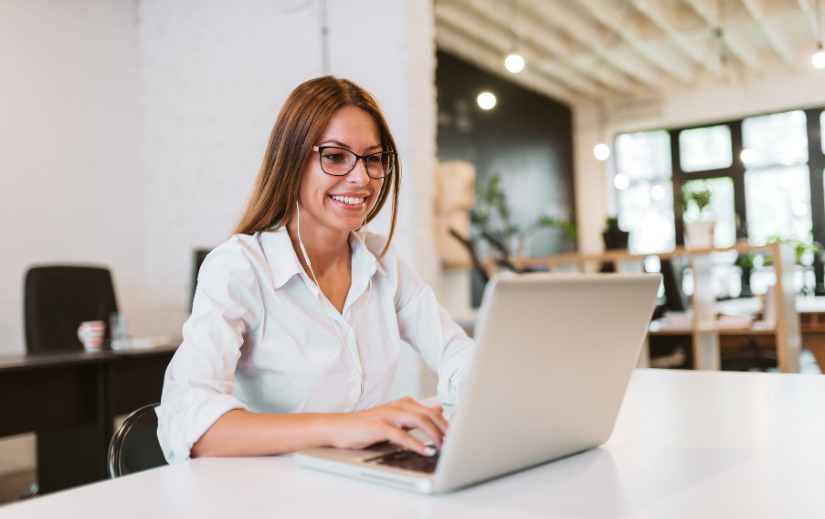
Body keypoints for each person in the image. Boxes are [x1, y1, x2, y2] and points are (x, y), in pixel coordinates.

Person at [156, 76, 476, 464]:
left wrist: (486, 387)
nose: (361, 178)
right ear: (292, 161)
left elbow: (458, 355)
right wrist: (341, 428)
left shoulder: (382, 262)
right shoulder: (239, 267)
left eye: (373, 158)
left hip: (354, 482)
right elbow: (189, 420)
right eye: (335, 156)